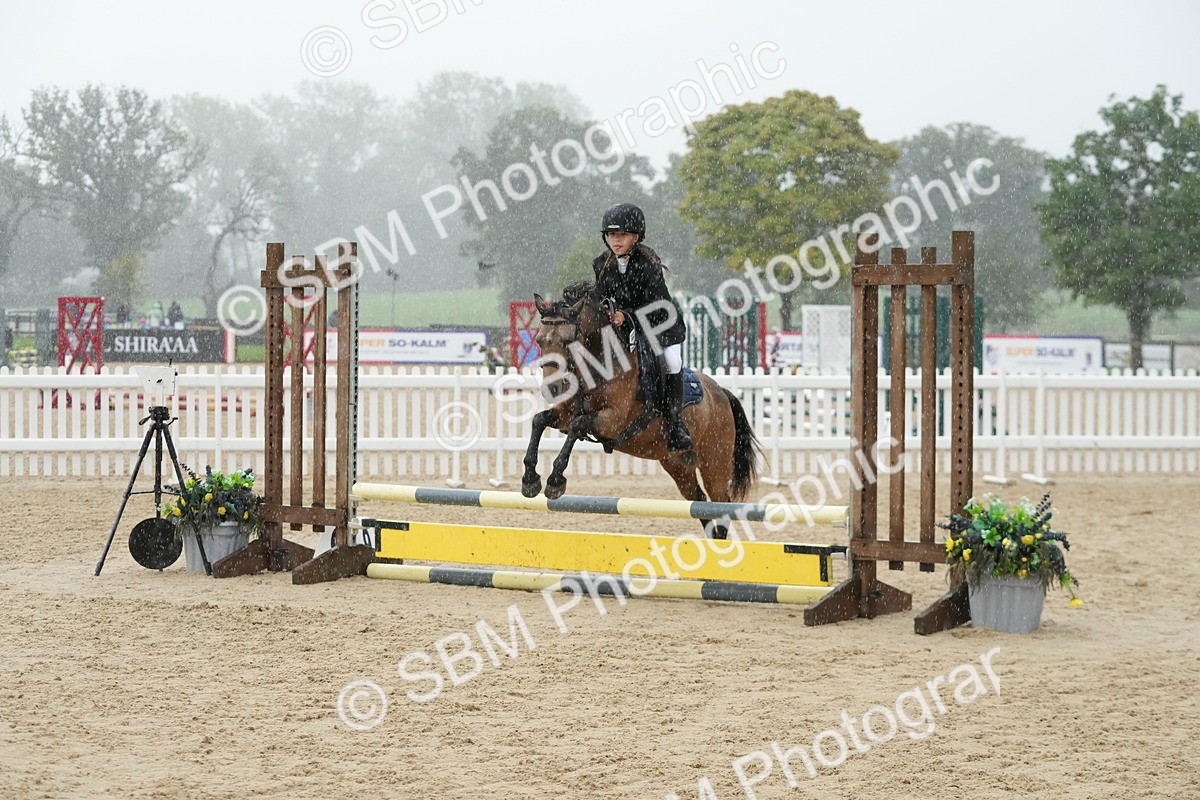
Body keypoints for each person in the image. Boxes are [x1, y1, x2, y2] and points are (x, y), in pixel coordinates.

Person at [592, 202, 692, 452]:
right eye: (611, 235)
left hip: (661, 323)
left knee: (671, 362)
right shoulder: (602, 264)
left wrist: (626, 316)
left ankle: (674, 424)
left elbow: (656, 306)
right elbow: (599, 295)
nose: (615, 240)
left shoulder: (648, 263)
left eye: (622, 235)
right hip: (624, 326)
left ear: (635, 237)